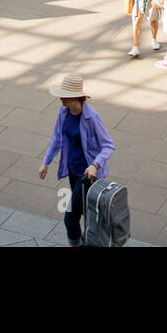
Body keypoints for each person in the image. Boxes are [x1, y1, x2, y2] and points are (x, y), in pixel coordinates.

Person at [39, 74, 116, 247]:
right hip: (73, 171)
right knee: (85, 213)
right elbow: (57, 137)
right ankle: (90, 241)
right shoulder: (64, 112)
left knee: (70, 218)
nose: (61, 98)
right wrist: (46, 162)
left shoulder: (91, 117)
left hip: (88, 177)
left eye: (64, 95)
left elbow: (109, 146)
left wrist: (95, 165)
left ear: (75, 97)